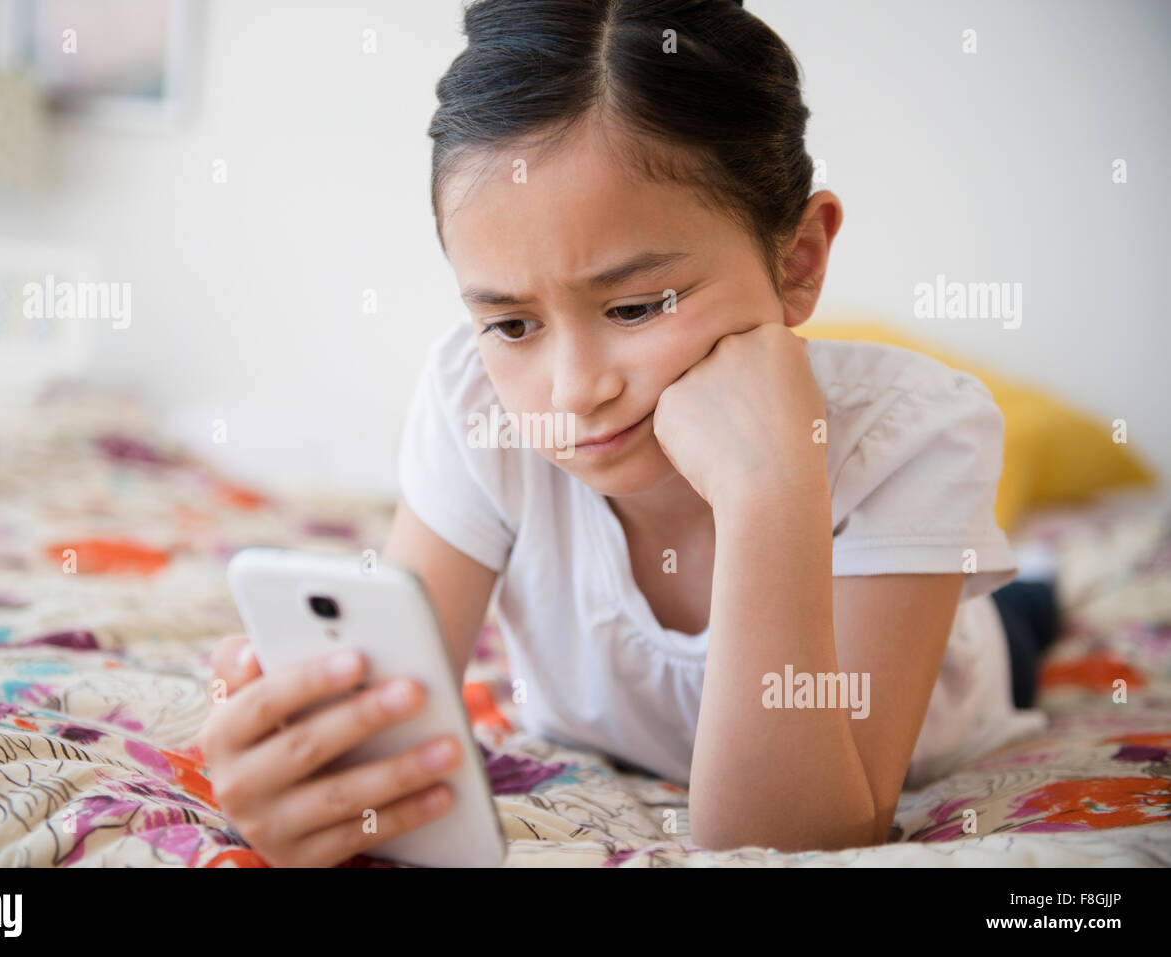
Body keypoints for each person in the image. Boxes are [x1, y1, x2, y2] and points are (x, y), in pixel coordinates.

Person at [196, 0, 1058, 866]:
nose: (576, 392)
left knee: (1026, 613)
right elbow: (381, 736)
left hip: (962, 678)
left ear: (797, 261)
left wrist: (770, 494)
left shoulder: (911, 433)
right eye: (512, 324)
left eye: (638, 307)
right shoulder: (474, 402)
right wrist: (300, 774)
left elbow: (788, 843)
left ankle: (1036, 587)